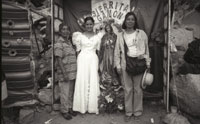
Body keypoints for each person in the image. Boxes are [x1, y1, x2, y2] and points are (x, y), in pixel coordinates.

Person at [114, 12, 151, 122]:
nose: (130, 21)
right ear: (125, 21)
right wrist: (118, 65)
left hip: (139, 64)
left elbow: (147, 50)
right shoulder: (120, 35)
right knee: (128, 89)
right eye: (128, 19)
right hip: (126, 65)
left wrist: (147, 63)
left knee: (138, 89)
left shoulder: (141, 33)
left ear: (135, 22)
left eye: (132, 19)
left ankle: (138, 112)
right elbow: (117, 52)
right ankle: (129, 112)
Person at [72, 16, 103, 114]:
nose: (89, 26)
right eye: (87, 24)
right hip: (82, 59)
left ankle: (92, 107)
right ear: (84, 25)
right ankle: (81, 106)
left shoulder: (98, 37)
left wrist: (99, 64)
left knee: (93, 79)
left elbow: (98, 51)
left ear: (93, 25)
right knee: (82, 80)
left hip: (93, 59)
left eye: (90, 24)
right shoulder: (79, 36)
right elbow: (78, 51)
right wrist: (77, 62)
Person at [98, 24, 123, 113]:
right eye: (106, 28)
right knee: (106, 68)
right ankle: (106, 82)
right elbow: (101, 47)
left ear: (111, 28)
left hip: (113, 54)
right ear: (105, 29)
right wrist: (105, 45)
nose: (108, 29)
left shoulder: (115, 36)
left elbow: (118, 46)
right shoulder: (104, 36)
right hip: (106, 55)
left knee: (113, 67)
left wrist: (112, 46)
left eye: (109, 28)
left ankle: (114, 82)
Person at [55, 23, 77, 120]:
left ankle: (69, 108)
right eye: (63, 29)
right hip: (65, 73)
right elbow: (58, 59)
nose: (65, 31)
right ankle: (64, 111)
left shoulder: (69, 42)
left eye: (67, 29)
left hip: (72, 73)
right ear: (60, 31)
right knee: (64, 93)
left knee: (70, 92)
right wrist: (64, 73)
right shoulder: (59, 43)